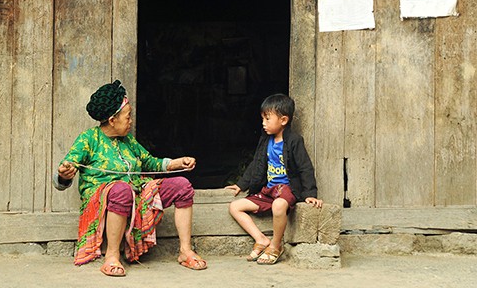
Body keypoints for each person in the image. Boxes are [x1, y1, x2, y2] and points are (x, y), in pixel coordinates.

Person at [53, 80, 207, 277]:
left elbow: (150, 163)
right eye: (128, 117)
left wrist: (177, 163)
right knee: (121, 189)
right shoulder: (88, 139)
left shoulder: (128, 141)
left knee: (182, 186)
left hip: (135, 192)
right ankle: (111, 256)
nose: (131, 121)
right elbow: (62, 178)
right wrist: (63, 174)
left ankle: (185, 252)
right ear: (112, 120)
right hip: (106, 198)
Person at [225, 93, 322, 265]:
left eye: (267, 119)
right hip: (269, 191)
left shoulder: (294, 141)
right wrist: (241, 184)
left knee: (279, 205)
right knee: (235, 206)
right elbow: (256, 163)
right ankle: (261, 239)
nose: (263, 123)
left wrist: (310, 193)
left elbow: (305, 167)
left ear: (283, 120)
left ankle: (276, 245)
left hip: (286, 190)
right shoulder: (266, 140)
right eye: (263, 119)